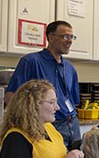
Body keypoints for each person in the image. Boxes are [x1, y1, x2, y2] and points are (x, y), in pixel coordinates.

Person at [0, 80, 84, 158]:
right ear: (32, 105)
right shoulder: (16, 139)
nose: (58, 107)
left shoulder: (48, 127)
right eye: (51, 102)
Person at [5, 20, 81, 150]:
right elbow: (11, 97)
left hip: (72, 124)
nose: (69, 41)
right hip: (47, 125)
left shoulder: (70, 68)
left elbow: (73, 100)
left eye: (72, 37)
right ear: (51, 37)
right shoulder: (31, 61)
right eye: (65, 36)